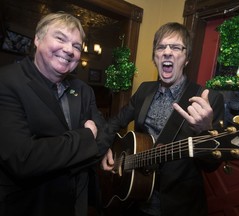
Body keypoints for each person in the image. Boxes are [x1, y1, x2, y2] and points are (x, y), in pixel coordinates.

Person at [101, 22, 225, 216]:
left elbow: (212, 165)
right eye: (161, 47)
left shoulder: (206, 99)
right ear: (155, 57)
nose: (167, 52)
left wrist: (205, 130)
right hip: (135, 197)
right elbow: (114, 122)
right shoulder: (144, 90)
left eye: (176, 47)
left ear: (186, 59)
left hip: (178, 205)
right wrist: (105, 148)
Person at [0, 12, 112, 216]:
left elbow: (103, 135)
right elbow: (24, 159)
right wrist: (85, 137)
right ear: (37, 39)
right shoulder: (7, 82)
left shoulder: (83, 89)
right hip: (32, 206)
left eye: (77, 46)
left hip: (77, 203)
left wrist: (55, 154)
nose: (69, 50)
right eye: (60, 38)